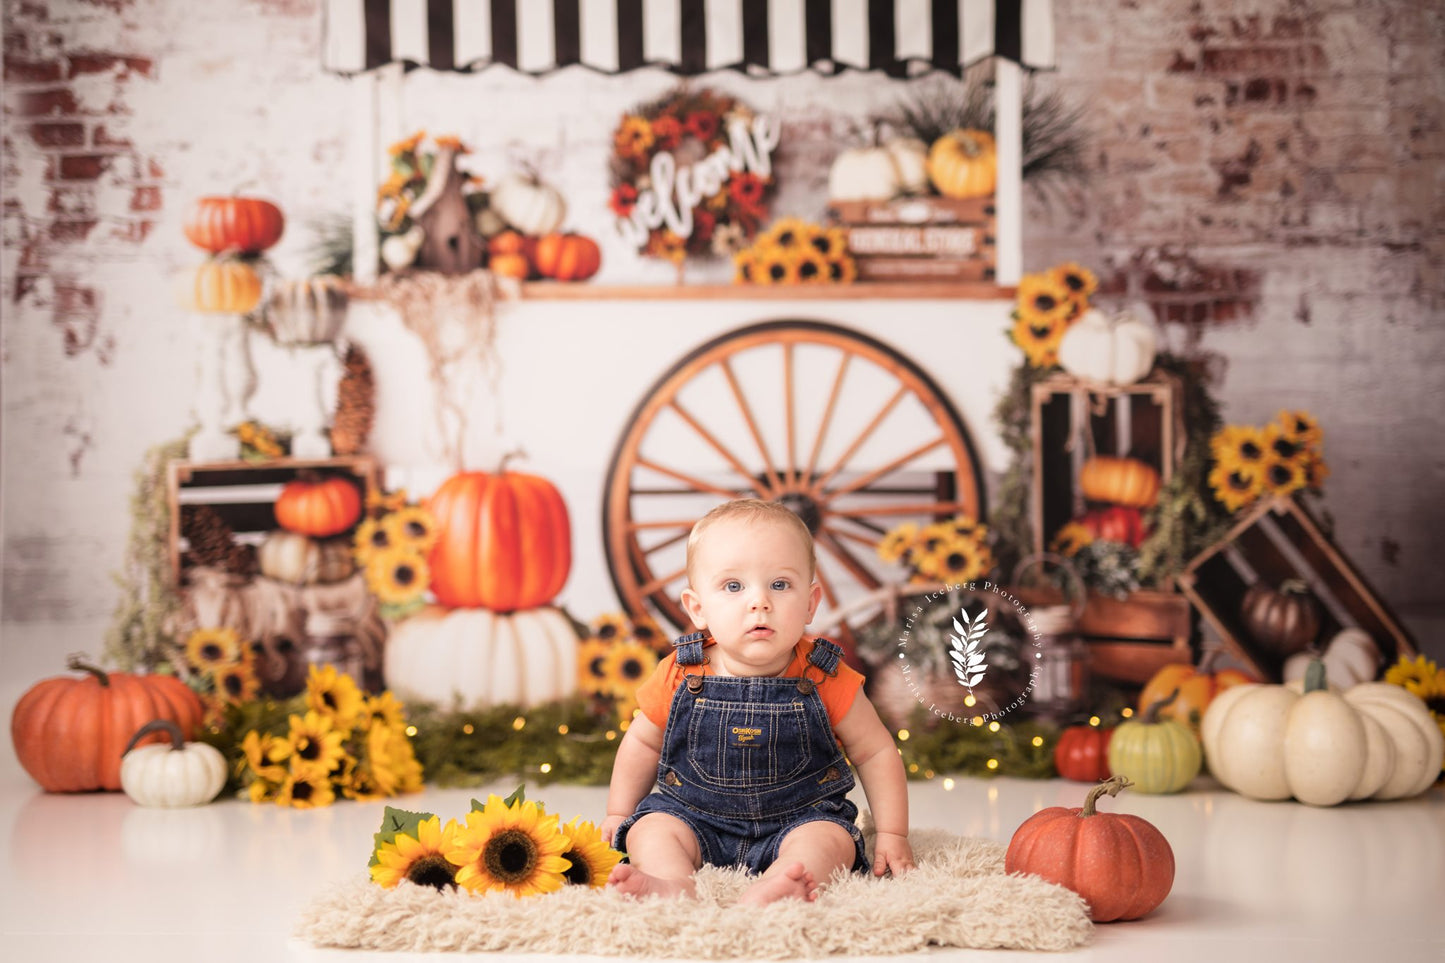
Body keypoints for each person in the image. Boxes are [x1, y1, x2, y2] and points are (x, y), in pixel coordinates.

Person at [602, 499, 914, 905]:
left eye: (780, 585)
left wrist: (892, 833)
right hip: (692, 815)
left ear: (810, 602)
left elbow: (875, 751)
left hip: (800, 818)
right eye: (734, 586)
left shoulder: (824, 675)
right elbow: (643, 743)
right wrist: (618, 811)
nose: (759, 602)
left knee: (830, 841)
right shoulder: (682, 672)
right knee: (652, 829)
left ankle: (783, 881)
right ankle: (671, 882)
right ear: (698, 609)